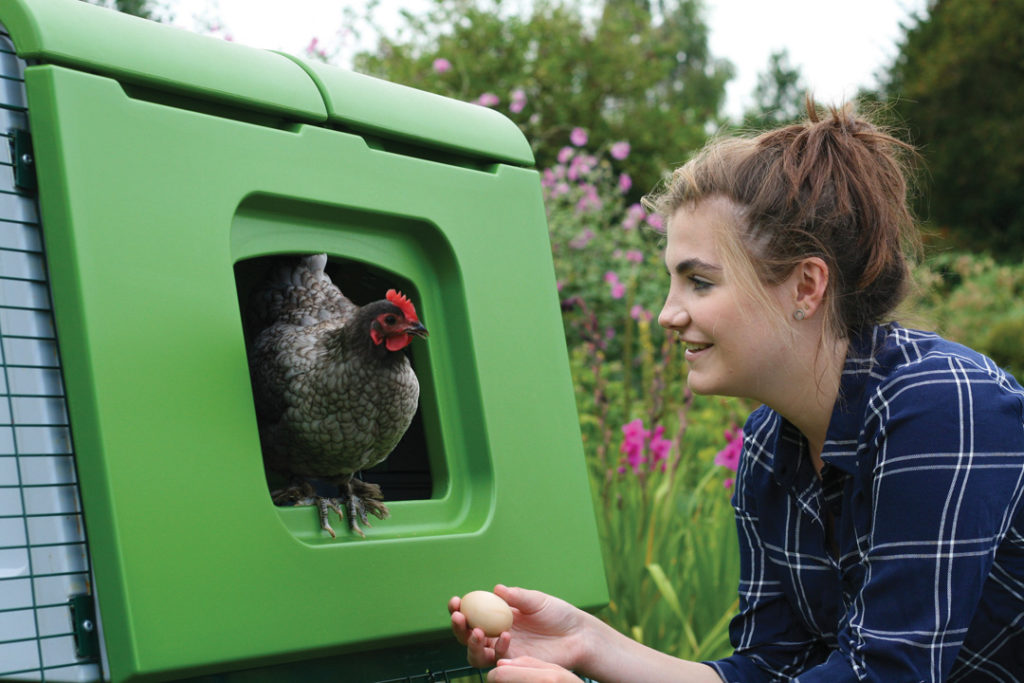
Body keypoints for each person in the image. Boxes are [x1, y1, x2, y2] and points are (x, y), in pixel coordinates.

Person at [448, 100, 1024, 681]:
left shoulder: (945, 406)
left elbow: (887, 675)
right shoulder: (770, 445)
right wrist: (588, 643)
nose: (667, 315)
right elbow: (771, 669)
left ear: (805, 285)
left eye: (699, 282)